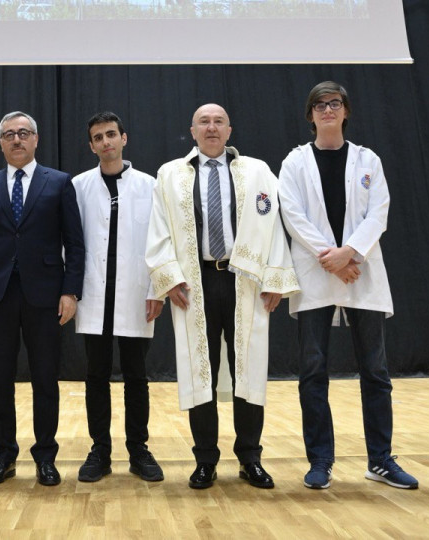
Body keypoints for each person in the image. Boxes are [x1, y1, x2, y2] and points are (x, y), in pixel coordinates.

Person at [146, 104, 298, 489]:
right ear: (192, 131)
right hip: (194, 282)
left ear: (229, 131)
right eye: (204, 122)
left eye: (218, 122)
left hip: (245, 279)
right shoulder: (170, 174)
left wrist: (273, 278)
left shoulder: (257, 171)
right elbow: (158, 229)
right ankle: (205, 460)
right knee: (201, 370)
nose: (211, 128)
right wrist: (170, 278)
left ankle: (250, 457)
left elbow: (273, 224)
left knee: (249, 368)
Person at [278, 81, 419, 490]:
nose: (328, 110)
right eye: (320, 105)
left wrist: (350, 253)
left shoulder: (368, 160)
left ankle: (380, 460)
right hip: (318, 272)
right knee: (313, 370)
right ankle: (320, 461)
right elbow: (292, 214)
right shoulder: (294, 162)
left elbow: (379, 213)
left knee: (375, 370)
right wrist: (332, 258)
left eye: (335, 103)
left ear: (345, 111)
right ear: (310, 115)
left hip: (360, 270)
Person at [0, 111, 85, 486]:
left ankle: (46, 456)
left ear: (36, 139)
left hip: (45, 295)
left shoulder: (59, 182)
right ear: (0, 143)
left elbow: (75, 244)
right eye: (9, 135)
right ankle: (4, 455)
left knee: (45, 378)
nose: (16, 139)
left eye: (23, 133)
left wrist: (70, 291)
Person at [71, 112, 164, 483]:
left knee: (136, 376)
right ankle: (100, 450)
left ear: (124, 138)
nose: (105, 141)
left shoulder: (150, 186)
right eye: (98, 137)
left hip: (136, 295)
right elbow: (70, 243)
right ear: (91, 145)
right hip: (94, 295)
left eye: (111, 134)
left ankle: (138, 450)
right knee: (95, 376)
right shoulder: (78, 186)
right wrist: (70, 290)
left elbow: (161, 241)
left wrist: (157, 289)